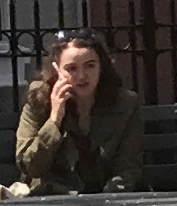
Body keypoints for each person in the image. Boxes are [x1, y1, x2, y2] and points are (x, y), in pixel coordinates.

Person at [12, 32, 146, 193]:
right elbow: (30, 167)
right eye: (71, 69)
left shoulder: (126, 103)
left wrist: (106, 202)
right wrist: (54, 119)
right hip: (53, 198)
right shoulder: (38, 99)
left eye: (90, 65)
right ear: (57, 70)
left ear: (101, 67)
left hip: (106, 199)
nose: (82, 76)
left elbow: (128, 167)